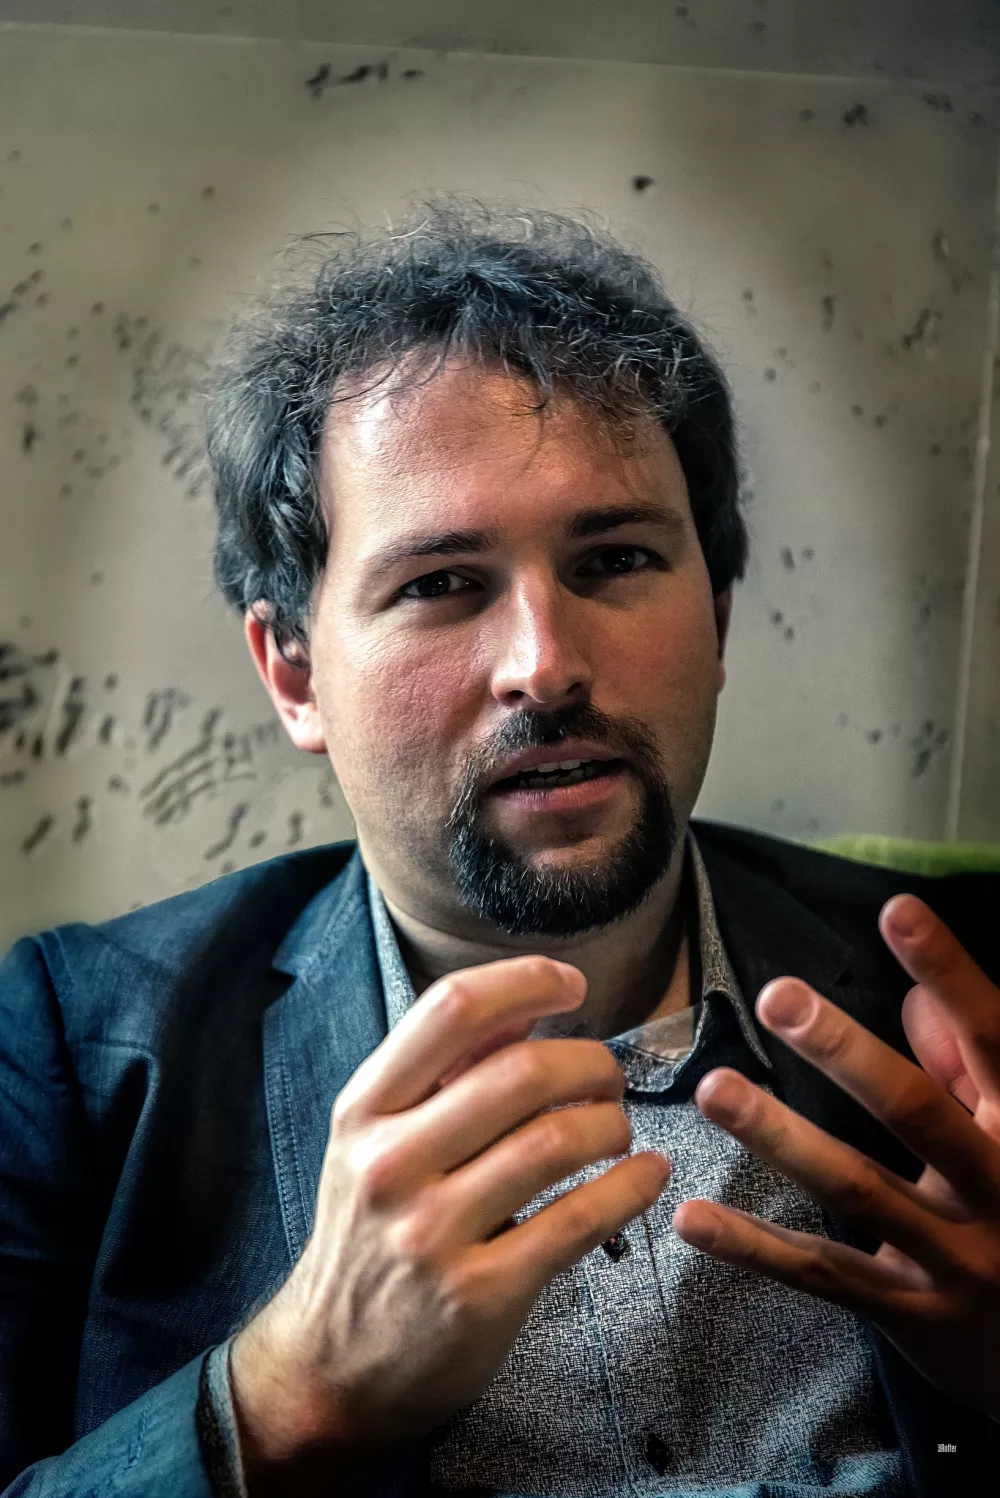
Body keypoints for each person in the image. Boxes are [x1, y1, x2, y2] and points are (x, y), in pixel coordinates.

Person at [1, 203, 998, 1498]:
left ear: (718, 614)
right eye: (440, 584)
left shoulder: (970, 981)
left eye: (617, 558)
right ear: (293, 671)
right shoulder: (70, 1048)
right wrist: (286, 1398)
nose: (546, 665)